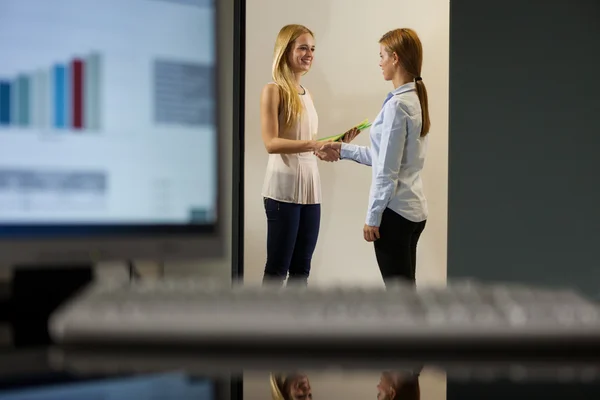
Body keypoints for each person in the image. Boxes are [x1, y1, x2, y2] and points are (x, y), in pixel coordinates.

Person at [320, 28, 430, 286]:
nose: (379, 62)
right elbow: (387, 158)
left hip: (395, 214)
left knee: (399, 300)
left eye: (381, 55)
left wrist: (372, 217)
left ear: (396, 58)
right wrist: (342, 149)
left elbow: (387, 171)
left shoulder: (397, 105)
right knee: (405, 294)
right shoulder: (414, 99)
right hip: (413, 211)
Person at [260, 24, 358, 286]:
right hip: (283, 191)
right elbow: (271, 143)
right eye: (303, 47)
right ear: (286, 50)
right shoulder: (273, 90)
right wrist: (313, 145)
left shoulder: (308, 95)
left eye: (312, 48)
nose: (309, 53)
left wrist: (331, 146)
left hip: (311, 192)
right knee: (277, 269)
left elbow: (306, 144)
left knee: (302, 269)